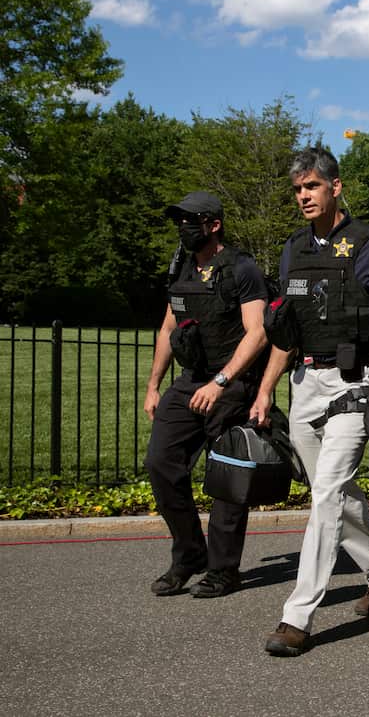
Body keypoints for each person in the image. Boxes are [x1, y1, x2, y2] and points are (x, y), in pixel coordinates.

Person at [250, 147, 369, 658]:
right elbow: (287, 332)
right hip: (305, 383)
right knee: (329, 491)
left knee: (328, 492)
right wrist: (266, 386)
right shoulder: (293, 249)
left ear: (336, 187)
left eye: (311, 186)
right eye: (297, 189)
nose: (303, 196)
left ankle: (298, 616)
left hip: (356, 385)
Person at [143, 191, 270, 598]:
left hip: (230, 385)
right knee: (161, 463)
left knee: (228, 478)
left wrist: (223, 381)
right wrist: (153, 385)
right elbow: (168, 329)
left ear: (213, 224)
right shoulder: (180, 267)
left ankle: (223, 570)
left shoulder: (241, 268)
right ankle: (189, 554)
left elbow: (259, 331)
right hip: (189, 380)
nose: (182, 228)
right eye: (178, 220)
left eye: (189, 220)